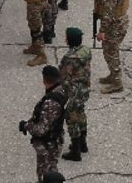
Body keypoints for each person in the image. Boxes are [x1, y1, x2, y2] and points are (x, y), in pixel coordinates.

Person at [21, 65, 67, 183]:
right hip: (55, 139)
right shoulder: (61, 90)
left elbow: (41, 130)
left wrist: (26, 126)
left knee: (46, 175)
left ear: (44, 80)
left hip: (48, 145)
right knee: (51, 170)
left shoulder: (50, 102)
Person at [94, 0, 131, 94]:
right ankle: (112, 75)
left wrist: (101, 31)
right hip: (121, 21)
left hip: (114, 25)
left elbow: (108, 13)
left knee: (111, 52)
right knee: (111, 51)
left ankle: (117, 83)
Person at [58, 27, 92, 162]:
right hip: (84, 89)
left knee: (71, 117)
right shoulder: (86, 50)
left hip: (73, 91)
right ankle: (83, 144)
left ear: (69, 40)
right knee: (81, 114)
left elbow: (63, 73)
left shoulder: (69, 57)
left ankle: (75, 151)